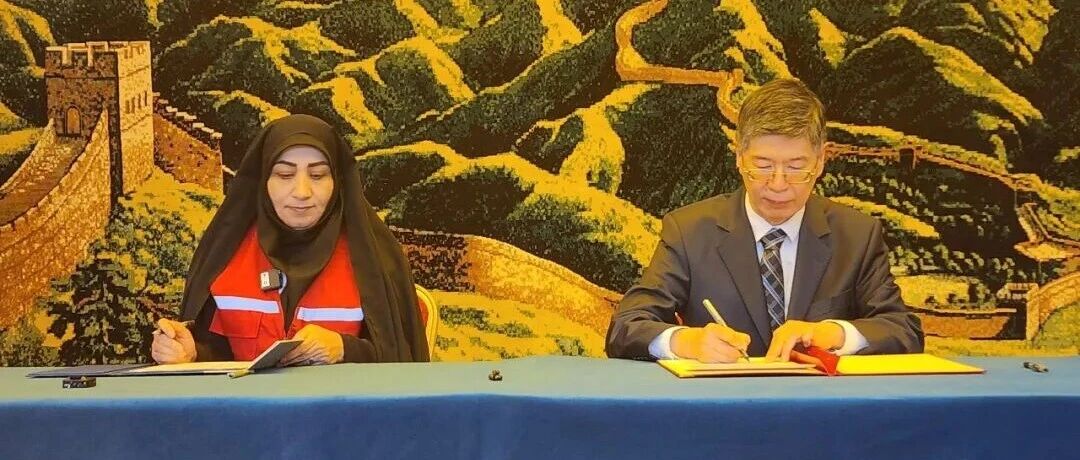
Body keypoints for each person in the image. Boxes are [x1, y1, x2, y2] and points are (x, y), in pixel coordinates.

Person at [605, 79, 923, 363]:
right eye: (763, 165)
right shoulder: (690, 231)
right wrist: (688, 342)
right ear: (739, 157)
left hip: (822, 406)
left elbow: (903, 330)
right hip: (722, 404)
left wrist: (832, 334)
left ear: (820, 161)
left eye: (796, 167)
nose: (778, 184)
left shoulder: (856, 235)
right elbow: (626, 326)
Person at [152, 114, 428, 365]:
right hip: (246, 405)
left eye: (318, 175)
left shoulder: (373, 261)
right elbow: (219, 354)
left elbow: (403, 362)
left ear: (338, 182)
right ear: (263, 181)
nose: (302, 192)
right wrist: (191, 353)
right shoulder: (227, 254)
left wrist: (344, 349)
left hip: (343, 405)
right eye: (285, 175)